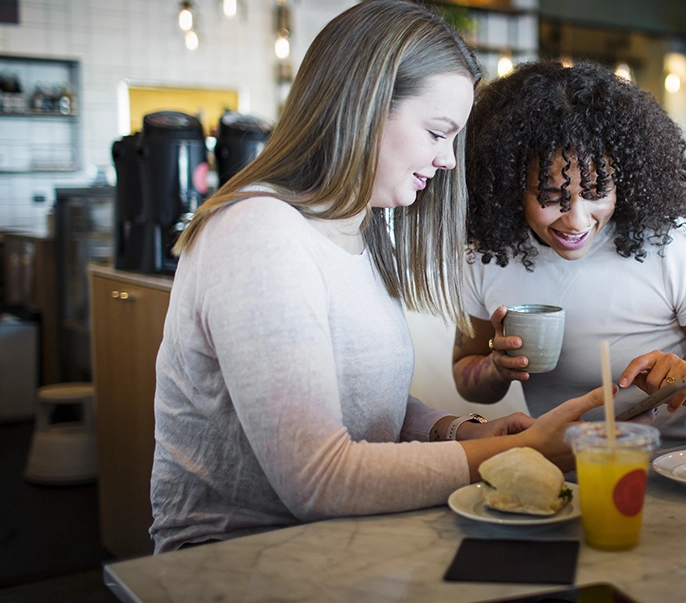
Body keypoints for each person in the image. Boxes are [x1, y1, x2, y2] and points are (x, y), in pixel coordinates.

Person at [149, 1, 605, 554]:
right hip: (237, 562)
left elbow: (357, 398)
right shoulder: (259, 233)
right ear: (362, 106)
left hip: (342, 547)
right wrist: (521, 451)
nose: (448, 162)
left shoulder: (354, 232)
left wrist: (459, 431)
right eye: (438, 133)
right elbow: (320, 479)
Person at [452, 61, 686, 444]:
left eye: (595, 193)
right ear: (508, 186)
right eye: (550, 196)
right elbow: (466, 373)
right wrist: (494, 369)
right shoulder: (488, 257)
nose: (576, 220)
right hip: (559, 472)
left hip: (670, 469)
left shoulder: (672, 249)